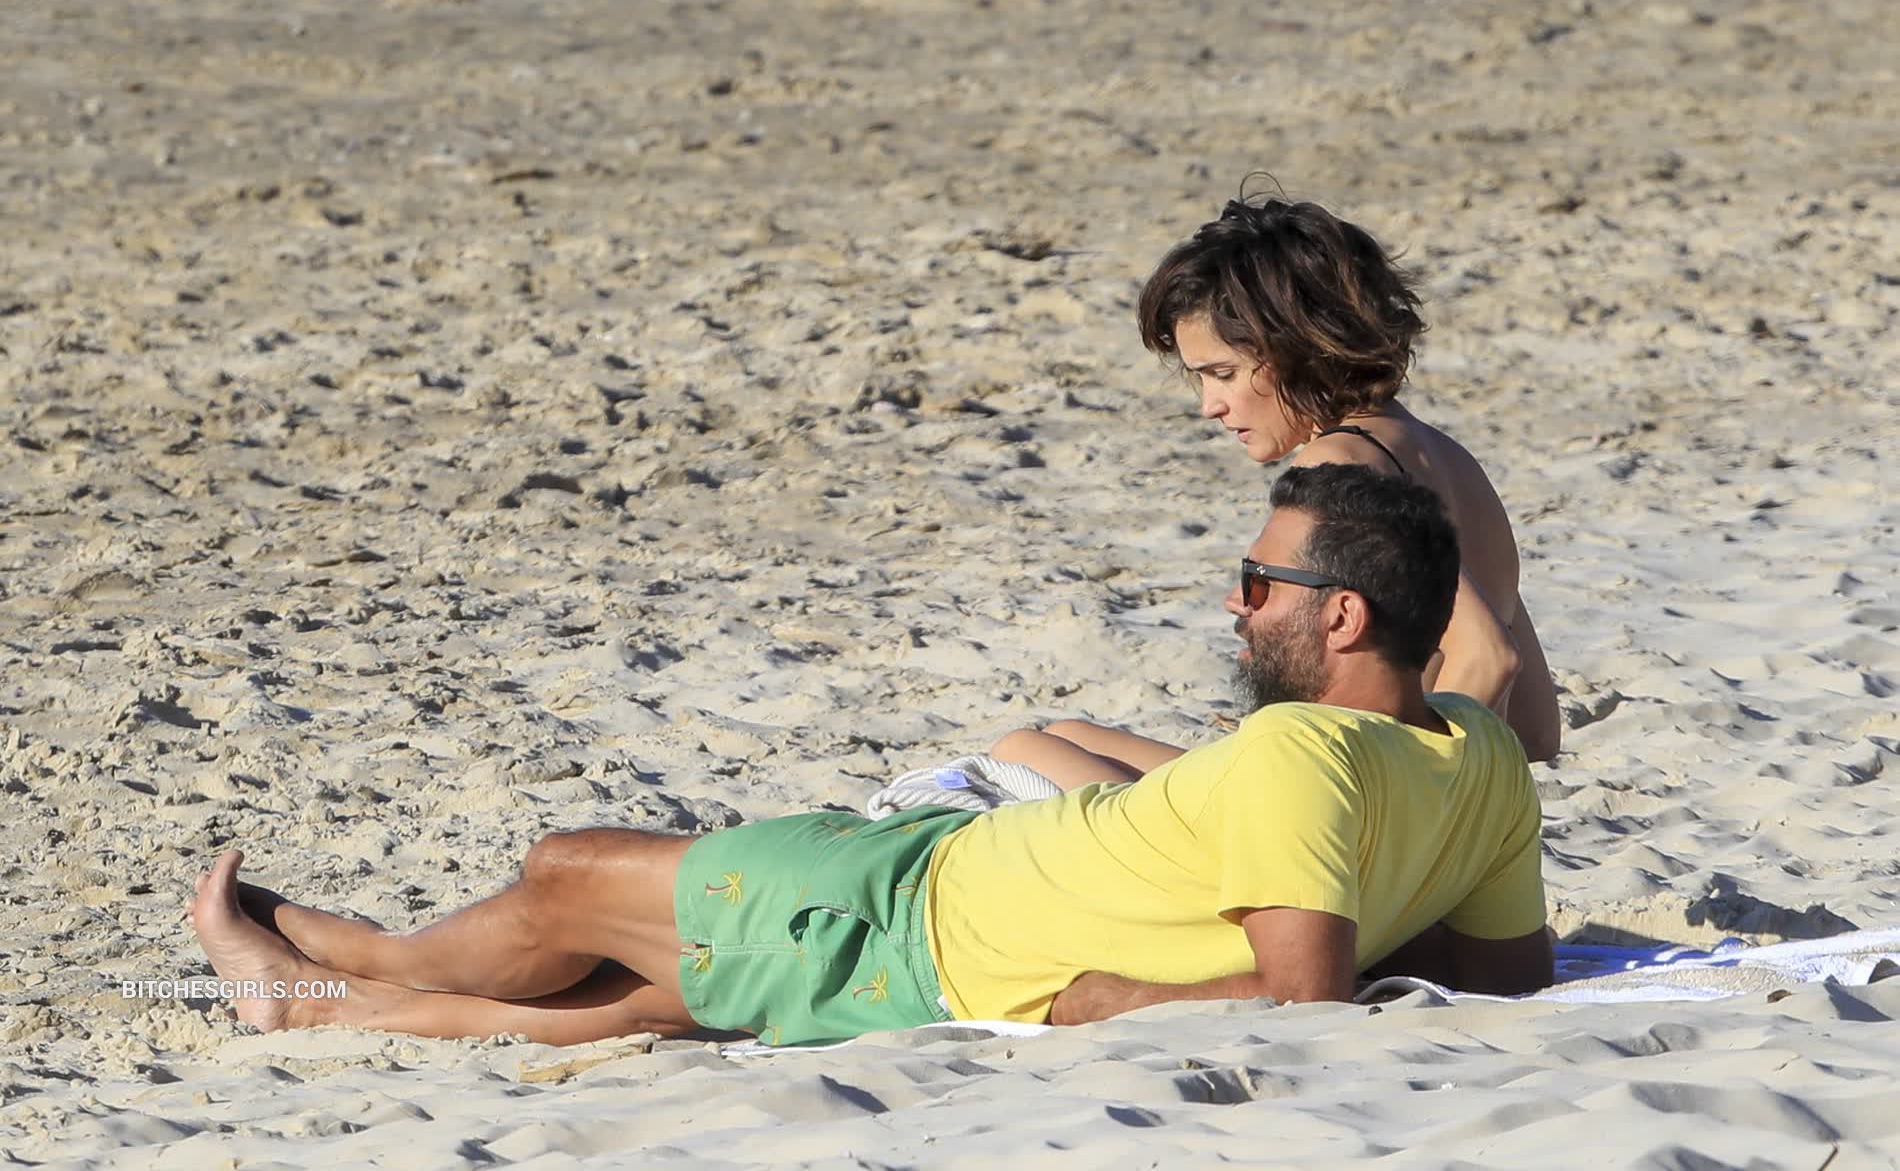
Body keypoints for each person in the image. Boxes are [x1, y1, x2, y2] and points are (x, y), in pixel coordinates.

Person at [190, 466, 1552, 1046]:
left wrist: (1115, 999)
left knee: (567, 878)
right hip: (933, 906)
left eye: (1259, 585)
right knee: (641, 998)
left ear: (1342, 617)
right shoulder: (1477, 749)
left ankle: (347, 952)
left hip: (905, 915)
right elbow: (1506, 976)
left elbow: (1304, 1003)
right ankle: (314, 1001)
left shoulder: (1299, 754)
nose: (1236, 608)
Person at [993, 190, 1559, 787]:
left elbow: (1488, 656)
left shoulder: (1341, 462)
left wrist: (1415, 795)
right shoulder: (1447, 457)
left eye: (1224, 374)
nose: (1210, 405)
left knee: (1021, 749)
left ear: (1299, 348)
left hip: (1350, 793)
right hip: (1365, 772)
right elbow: (1536, 729)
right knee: (1065, 737)